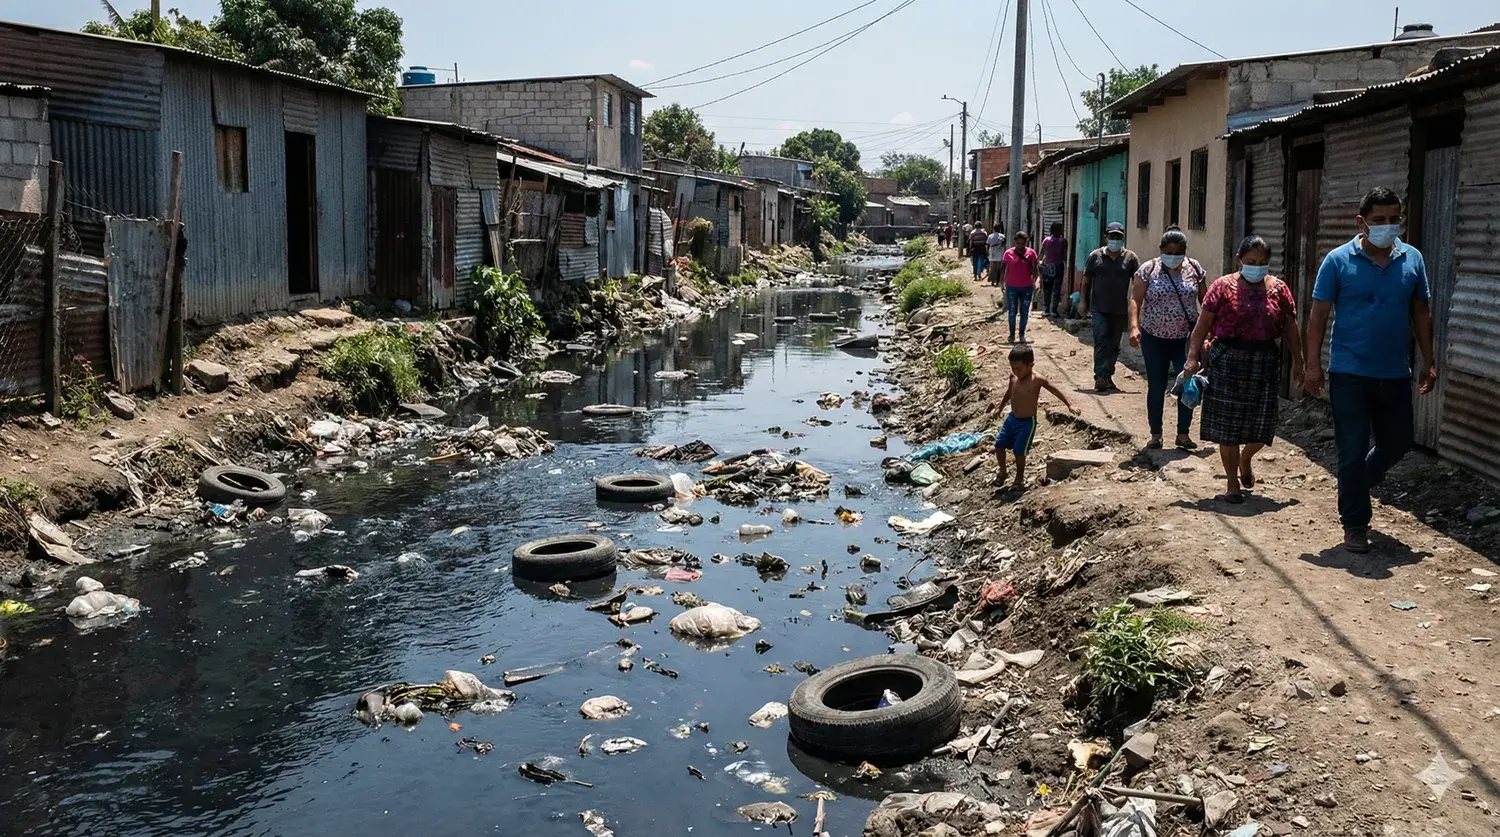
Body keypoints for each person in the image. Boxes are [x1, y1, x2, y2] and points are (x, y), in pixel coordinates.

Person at [1304, 187, 1436, 554]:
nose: (1387, 226)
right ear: (1361, 222)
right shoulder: (1337, 261)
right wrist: (1313, 365)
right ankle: (1355, 524)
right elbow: (1318, 315)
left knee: (1398, 441)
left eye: (1394, 219)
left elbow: (1421, 312)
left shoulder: (1412, 259)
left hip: (1394, 372)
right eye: (1379, 220)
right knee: (1352, 447)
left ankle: (1358, 482)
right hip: (1349, 372)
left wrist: (1428, 359)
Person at [1184, 236, 1305, 504]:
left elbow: (1291, 327)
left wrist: (1299, 361)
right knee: (1228, 426)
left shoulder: (1279, 289)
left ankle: (1246, 458)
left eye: (1262, 262)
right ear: (1239, 260)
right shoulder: (1221, 287)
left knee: (1263, 423)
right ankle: (1231, 483)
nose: (1256, 267)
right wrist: (1192, 357)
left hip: (1264, 363)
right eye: (1251, 261)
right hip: (1227, 361)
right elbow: (1202, 326)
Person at [1129, 226, 1205, 450]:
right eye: (1169, 252)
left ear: (1185, 251)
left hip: (1185, 339)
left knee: (1187, 383)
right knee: (1156, 384)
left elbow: (1206, 301)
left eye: (1178, 252)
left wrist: (1208, 332)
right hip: (1154, 338)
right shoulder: (1148, 269)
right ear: (1161, 249)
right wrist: (1134, 327)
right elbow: (1135, 300)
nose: (1173, 256)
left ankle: (1183, 433)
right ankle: (1156, 434)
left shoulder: (1194, 268)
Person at [995, 344, 1082, 491]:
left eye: (1019, 368)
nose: (1015, 371)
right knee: (999, 445)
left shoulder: (1037, 380)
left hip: (1027, 423)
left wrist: (1069, 405)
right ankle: (1003, 472)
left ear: (1030, 365)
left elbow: (1054, 390)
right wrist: (1000, 407)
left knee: (1019, 451)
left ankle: (1019, 478)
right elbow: (1009, 393)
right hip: (1012, 419)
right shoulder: (1013, 377)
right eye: (1013, 368)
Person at [1081, 221, 1140, 392]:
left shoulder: (1130, 258)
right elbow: (1086, 281)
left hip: (1120, 310)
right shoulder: (1095, 256)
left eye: (1118, 237)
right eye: (1112, 236)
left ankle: (1108, 375)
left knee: (1114, 345)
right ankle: (1100, 376)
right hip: (1099, 308)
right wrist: (1083, 302)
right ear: (1106, 237)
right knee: (1101, 341)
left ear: (1123, 238)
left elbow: (1138, 283)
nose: (1115, 240)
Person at [1001, 232, 1041, 343]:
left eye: (1022, 244)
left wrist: (1037, 282)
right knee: (1012, 312)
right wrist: (1001, 283)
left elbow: (1035, 269)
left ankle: (1022, 335)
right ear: (1015, 242)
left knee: (1024, 312)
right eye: (1018, 243)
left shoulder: (1031, 253)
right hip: (1011, 287)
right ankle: (1012, 335)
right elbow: (1003, 269)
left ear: (1026, 243)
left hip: (1027, 287)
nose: (1020, 246)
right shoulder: (1008, 253)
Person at [1040, 222, 1068, 317]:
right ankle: (1054, 311)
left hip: (1048, 267)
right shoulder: (1063, 241)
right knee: (1056, 289)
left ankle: (1046, 309)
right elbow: (1064, 256)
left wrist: (1039, 264)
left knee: (1047, 289)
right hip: (1059, 267)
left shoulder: (1046, 240)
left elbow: (1042, 253)